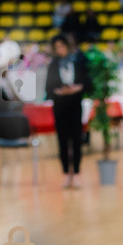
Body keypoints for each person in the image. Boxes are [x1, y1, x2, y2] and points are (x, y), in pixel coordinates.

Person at [45, 34, 88, 189]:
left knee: (76, 140)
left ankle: (76, 172)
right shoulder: (53, 65)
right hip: (60, 106)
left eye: (62, 46)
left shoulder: (78, 62)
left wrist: (77, 88)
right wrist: (60, 91)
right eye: (57, 48)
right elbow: (48, 88)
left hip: (75, 104)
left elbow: (86, 82)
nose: (60, 50)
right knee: (62, 140)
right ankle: (65, 173)